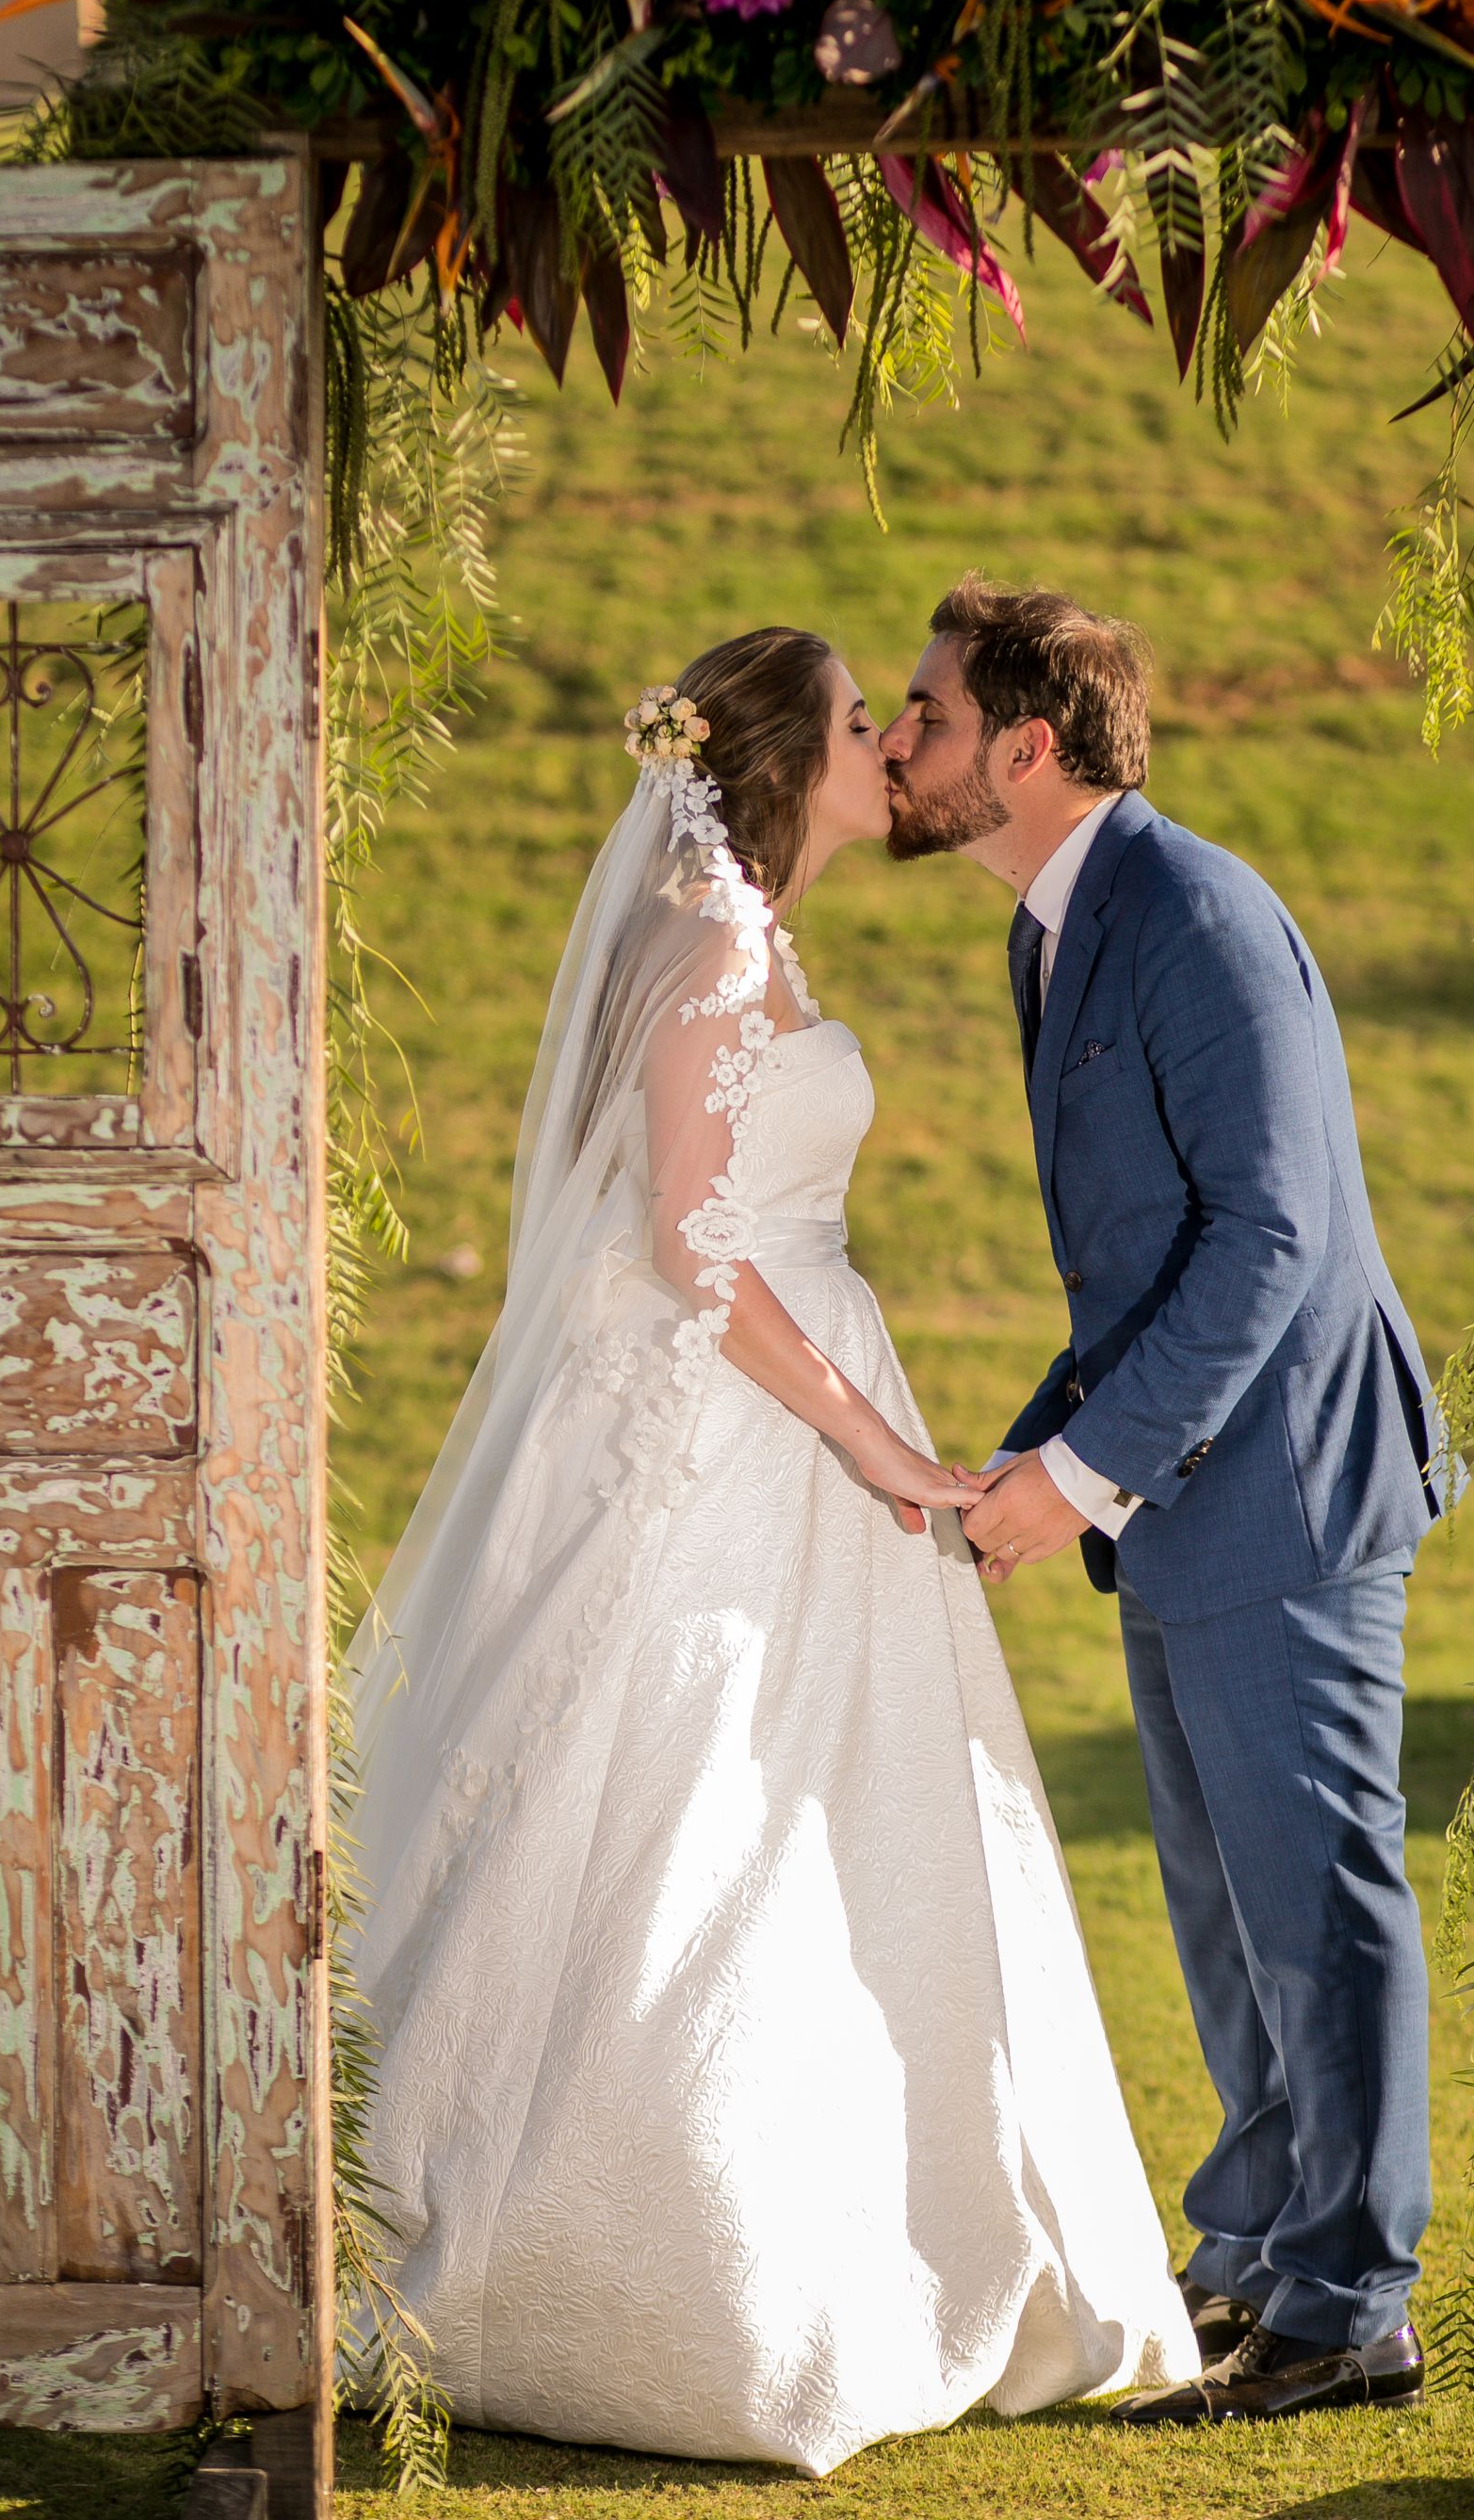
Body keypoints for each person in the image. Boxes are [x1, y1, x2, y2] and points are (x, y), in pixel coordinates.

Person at [342, 627, 1191, 2478]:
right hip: (726, 1425)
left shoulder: (757, 938)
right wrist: (874, 1438)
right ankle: (645, 2271)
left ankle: (867, 2220)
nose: (892, 742)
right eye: (864, 723)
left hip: (796, 1393)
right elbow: (689, 1248)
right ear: (792, 762)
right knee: (687, 1804)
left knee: (828, 1810)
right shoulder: (712, 944)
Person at [885, 575, 1447, 2426]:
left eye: (929, 714)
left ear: (1028, 748)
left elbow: (1271, 1232)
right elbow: (1142, 1255)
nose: (901, 744)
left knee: (1318, 1898)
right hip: (1179, 1496)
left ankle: (1353, 2310)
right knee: (1227, 1909)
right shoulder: (1055, 926)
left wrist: (1081, 1470)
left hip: (1286, 1483)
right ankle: (1259, 2257)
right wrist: (1038, 1445)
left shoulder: (1194, 912)